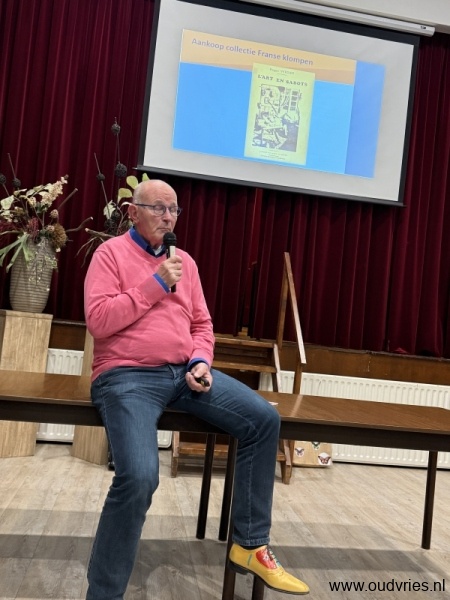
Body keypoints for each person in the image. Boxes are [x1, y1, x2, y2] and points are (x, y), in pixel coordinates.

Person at [84, 179, 310, 599]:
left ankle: (249, 545)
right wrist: (155, 283)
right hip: (127, 376)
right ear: (133, 212)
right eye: (158, 208)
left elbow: (202, 325)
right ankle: (103, 593)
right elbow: (98, 321)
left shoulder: (184, 261)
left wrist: (200, 361)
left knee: (263, 419)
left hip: (183, 375)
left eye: (174, 210)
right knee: (139, 477)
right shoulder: (110, 254)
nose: (168, 217)